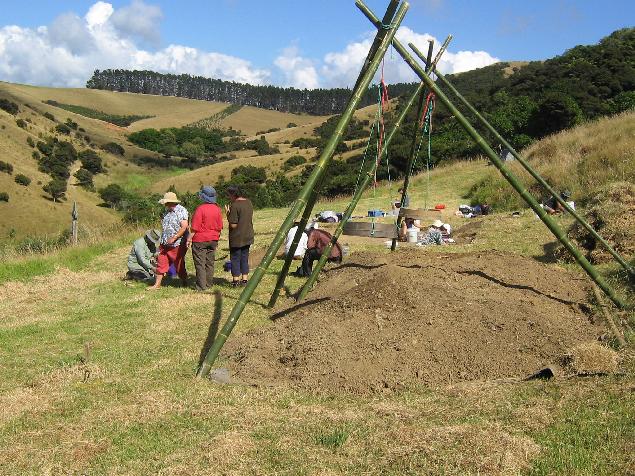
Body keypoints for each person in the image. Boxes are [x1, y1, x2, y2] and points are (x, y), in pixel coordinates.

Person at [148, 192, 189, 290]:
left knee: (179, 264)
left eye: (166, 202)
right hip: (164, 244)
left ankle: (184, 280)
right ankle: (157, 285)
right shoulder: (166, 211)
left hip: (177, 244)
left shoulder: (182, 210)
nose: (165, 204)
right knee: (161, 262)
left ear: (171, 202)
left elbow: (184, 227)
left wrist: (174, 238)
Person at [187, 186, 223, 292]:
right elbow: (220, 226)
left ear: (203, 197)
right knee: (210, 262)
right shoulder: (217, 209)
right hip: (213, 239)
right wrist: (216, 239)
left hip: (200, 240)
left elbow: (194, 228)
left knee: (200, 263)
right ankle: (209, 283)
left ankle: (201, 286)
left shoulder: (200, 209)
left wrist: (189, 240)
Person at [225, 185, 254, 287]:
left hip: (237, 237)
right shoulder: (249, 202)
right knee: (244, 257)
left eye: (228, 195)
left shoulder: (234, 205)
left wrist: (227, 214)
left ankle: (236, 281)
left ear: (233, 194)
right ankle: (245, 280)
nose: (228, 197)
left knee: (235, 258)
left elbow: (233, 224)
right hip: (248, 235)